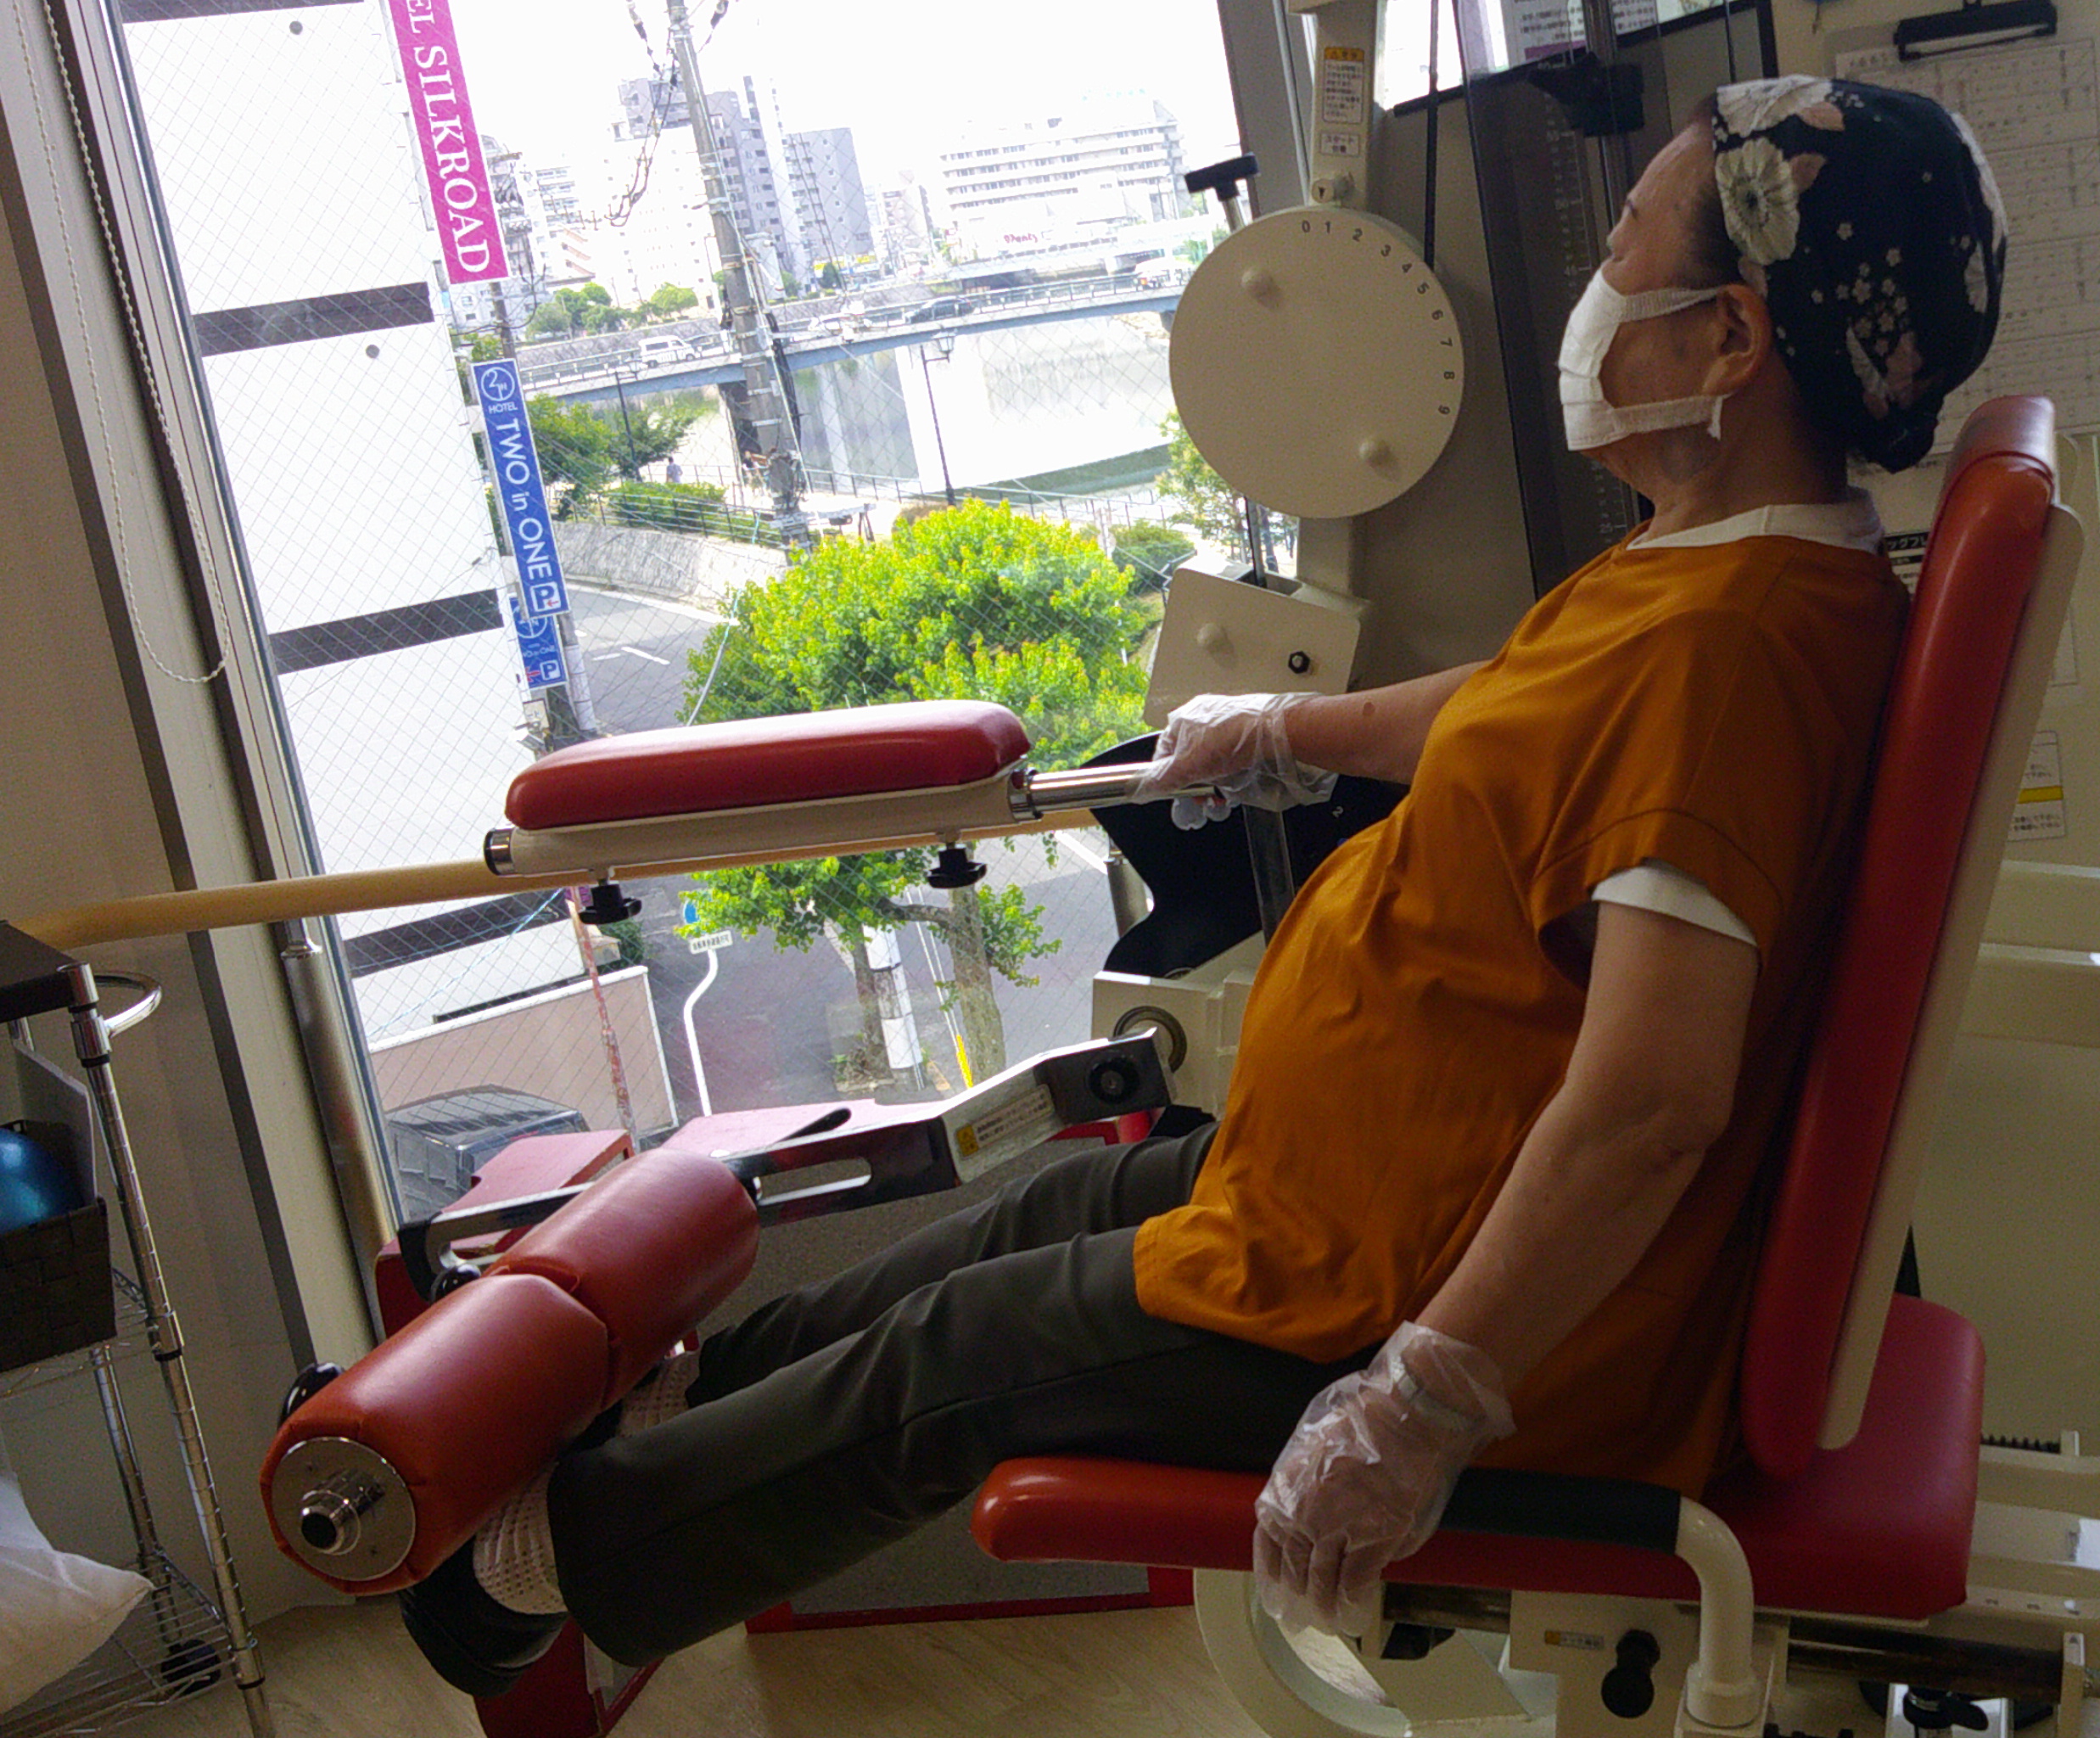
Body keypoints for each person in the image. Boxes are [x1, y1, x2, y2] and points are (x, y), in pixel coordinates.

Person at [399, 75, 2007, 1696]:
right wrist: (1285, 729)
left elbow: (1655, 1102)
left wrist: (1426, 1397)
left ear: (1729, 339)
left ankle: (529, 1569)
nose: (1596, 287)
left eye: (1625, 248)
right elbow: (1522, 709)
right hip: (1359, 1205)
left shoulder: (1730, 659)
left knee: (965, 1358)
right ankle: (665, 1407)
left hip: (1450, 1311)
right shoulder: (1717, 565)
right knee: (1044, 1208)